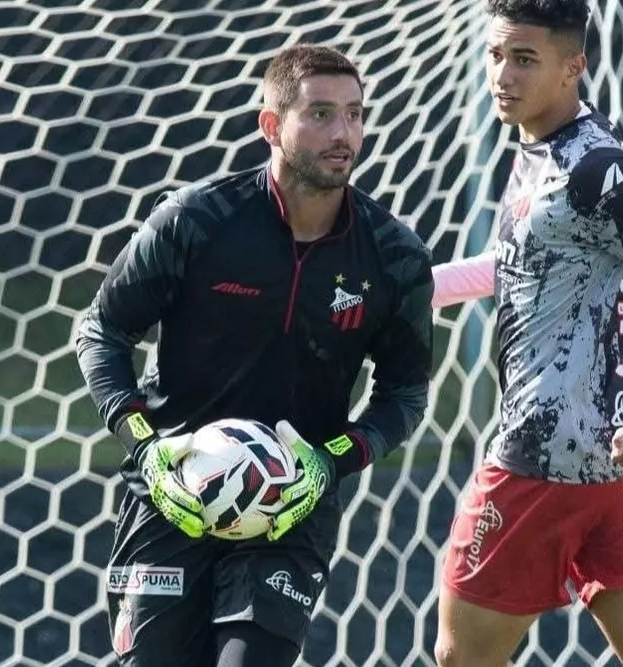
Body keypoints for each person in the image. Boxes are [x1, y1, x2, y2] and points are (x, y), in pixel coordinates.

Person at [75, 45, 433, 667]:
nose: (343, 133)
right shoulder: (195, 221)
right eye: (320, 114)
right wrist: (144, 445)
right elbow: (101, 331)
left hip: (290, 512)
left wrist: (327, 463)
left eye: (354, 114)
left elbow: (405, 392)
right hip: (170, 500)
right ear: (271, 125)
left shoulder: (394, 256)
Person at [430, 2, 623, 666]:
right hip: (617, 472)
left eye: (524, 59)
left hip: (543, 459)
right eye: (495, 55)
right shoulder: (545, 146)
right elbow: (528, 260)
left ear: (574, 66)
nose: (502, 75)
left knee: (461, 656)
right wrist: (423, 286)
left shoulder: (595, 167)